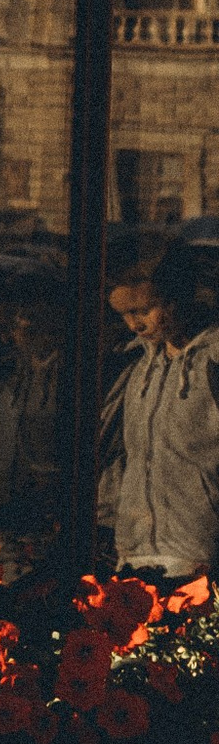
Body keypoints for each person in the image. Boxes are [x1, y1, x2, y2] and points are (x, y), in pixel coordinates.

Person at [99, 240, 219, 577]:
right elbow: (126, 456)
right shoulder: (137, 368)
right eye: (124, 314)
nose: (134, 325)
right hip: (135, 553)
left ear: (177, 298)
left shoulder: (212, 362)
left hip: (198, 553)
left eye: (144, 310)